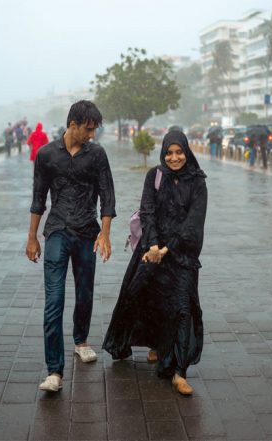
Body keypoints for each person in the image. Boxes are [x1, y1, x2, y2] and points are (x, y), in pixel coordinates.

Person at [103, 130, 207, 396]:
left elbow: (194, 222)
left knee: (183, 308)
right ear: (163, 153)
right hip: (152, 249)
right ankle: (155, 345)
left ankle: (179, 372)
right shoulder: (154, 176)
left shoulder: (197, 182)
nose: (174, 158)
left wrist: (167, 249)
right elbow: (147, 210)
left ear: (187, 151)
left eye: (179, 152)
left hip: (181, 255)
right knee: (147, 299)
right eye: (169, 153)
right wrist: (152, 246)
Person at [26, 100, 116, 392]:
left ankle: (81, 340)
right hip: (57, 232)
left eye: (94, 130)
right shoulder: (47, 155)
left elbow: (107, 195)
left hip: (87, 232)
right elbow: (39, 198)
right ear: (73, 125)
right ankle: (54, 371)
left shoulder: (97, 154)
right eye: (88, 129)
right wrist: (31, 237)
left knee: (84, 292)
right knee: (53, 301)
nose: (92, 135)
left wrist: (105, 233)